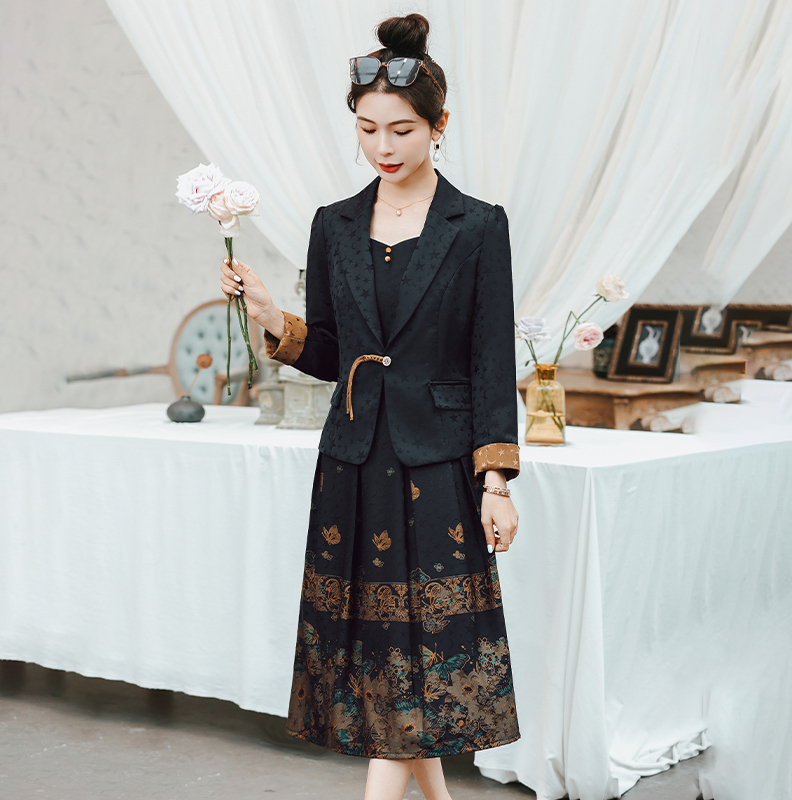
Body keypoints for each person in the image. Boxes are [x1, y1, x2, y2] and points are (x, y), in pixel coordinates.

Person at [219, 13, 521, 800]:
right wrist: (270, 317)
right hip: (353, 465)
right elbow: (330, 351)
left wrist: (496, 482)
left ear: (439, 126)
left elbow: (491, 363)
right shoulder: (335, 225)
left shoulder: (478, 227)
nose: (383, 146)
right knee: (383, 655)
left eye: (402, 130)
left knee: (425, 654)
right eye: (367, 129)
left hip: (441, 467)